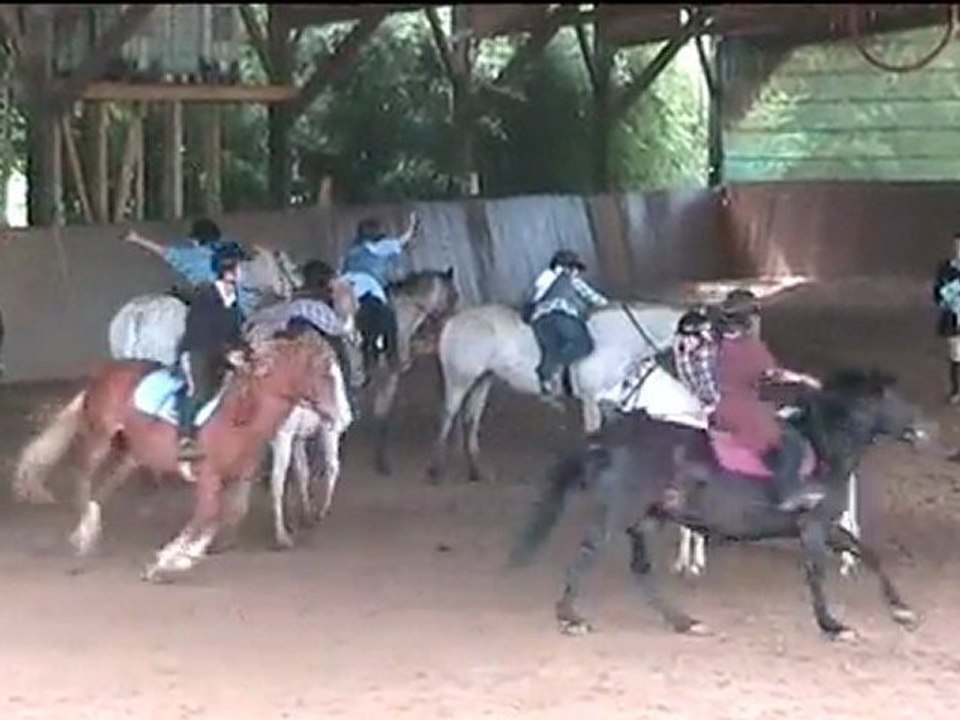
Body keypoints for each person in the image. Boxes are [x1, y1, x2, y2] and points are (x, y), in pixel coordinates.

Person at [712, 289, 825, 513]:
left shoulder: (720, 344)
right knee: (791, 441)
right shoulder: (751, 349)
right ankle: (788, 492)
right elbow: (771, 380)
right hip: (746, 412)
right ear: (750, 320)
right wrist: (802, 380)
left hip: (723, 406)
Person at [245, 259, 360, 415]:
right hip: (317, 350)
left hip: (289, 344)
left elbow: (266, 318)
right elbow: (340, 328)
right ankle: (346, 404)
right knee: (342, 364)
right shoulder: (320, 307)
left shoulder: (294, 302)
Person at [174, 246, 247, 462]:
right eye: (241, 268)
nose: (245, 273)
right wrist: (229, 353)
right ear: (228, 272)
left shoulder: (233, 298)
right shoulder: (205, 296)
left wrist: (246, 349)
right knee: (201, 391)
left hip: (221, 353)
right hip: (197, 351)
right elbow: (205, 333)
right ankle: (185, 439)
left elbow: (234, 331)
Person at [123, 217, 258, 317]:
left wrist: (136, 239)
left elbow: (164, 252)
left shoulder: (192, 257)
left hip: (218, 311)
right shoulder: (234, 248)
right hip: (249, 309)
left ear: (196, 239)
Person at [341, 212, 419, 372]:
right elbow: (404, 240)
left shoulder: (351, 252)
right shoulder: (379, 247)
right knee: (389, 319)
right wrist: (412, 226)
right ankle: (393, 359)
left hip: (346, 287)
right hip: (369, 288)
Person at [528, 249, 609, 396]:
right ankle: (560, 372)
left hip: (539, 320)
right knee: (584, 344)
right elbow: (594, 298)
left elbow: (533, 299)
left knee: (552, 350)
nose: (577, 272)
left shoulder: (543, 279)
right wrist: (610, 305)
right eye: (576, 269)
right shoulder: (569, 279)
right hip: (562, 316)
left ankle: (546, 376)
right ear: (567, 267)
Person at [672, 307, 721, 415]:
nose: (686, 342)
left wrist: (715, 406)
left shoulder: (713, 355)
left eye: (691, 338)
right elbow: (686, 379)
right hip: (700, 405)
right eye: (683, 338)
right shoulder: (682, 352)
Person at [933, 230, 960, 404]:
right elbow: (937, 294)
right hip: (954, 319)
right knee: (957, 355)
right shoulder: (946, 269)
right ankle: (957, 390)